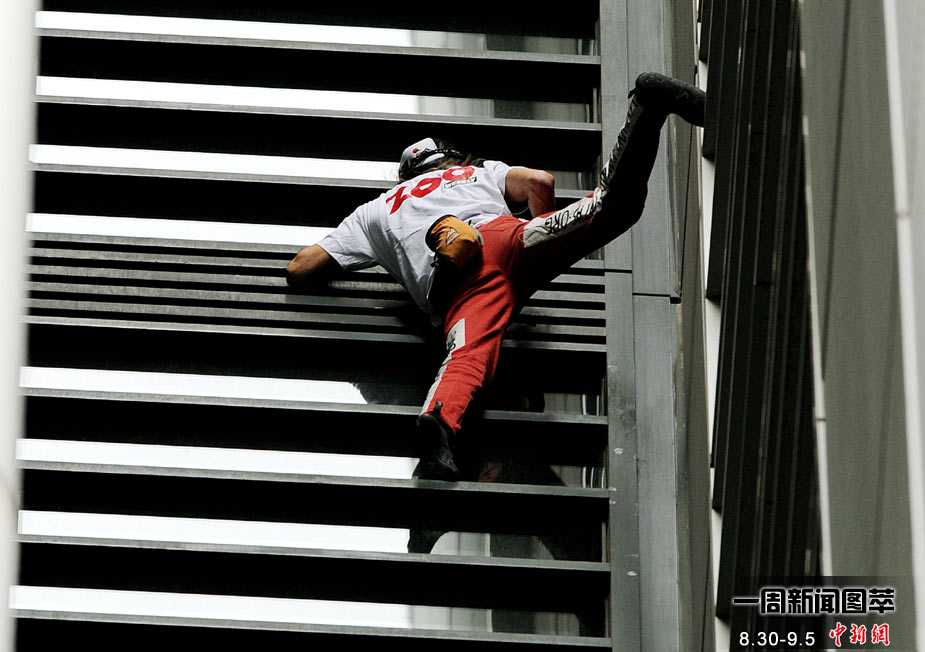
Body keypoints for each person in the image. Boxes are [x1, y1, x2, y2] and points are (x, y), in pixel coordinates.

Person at [286, 72, 705, 481]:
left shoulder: (373, 211)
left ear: (405, 176)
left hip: (462, 282)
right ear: (449, 160)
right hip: (513, 238)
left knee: (468, 357)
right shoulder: (478, 172)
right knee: (611, 206)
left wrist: (380, 255)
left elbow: (301, 268)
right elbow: (540, 180)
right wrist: (540, 258)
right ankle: (646, 106)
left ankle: (438, 427)